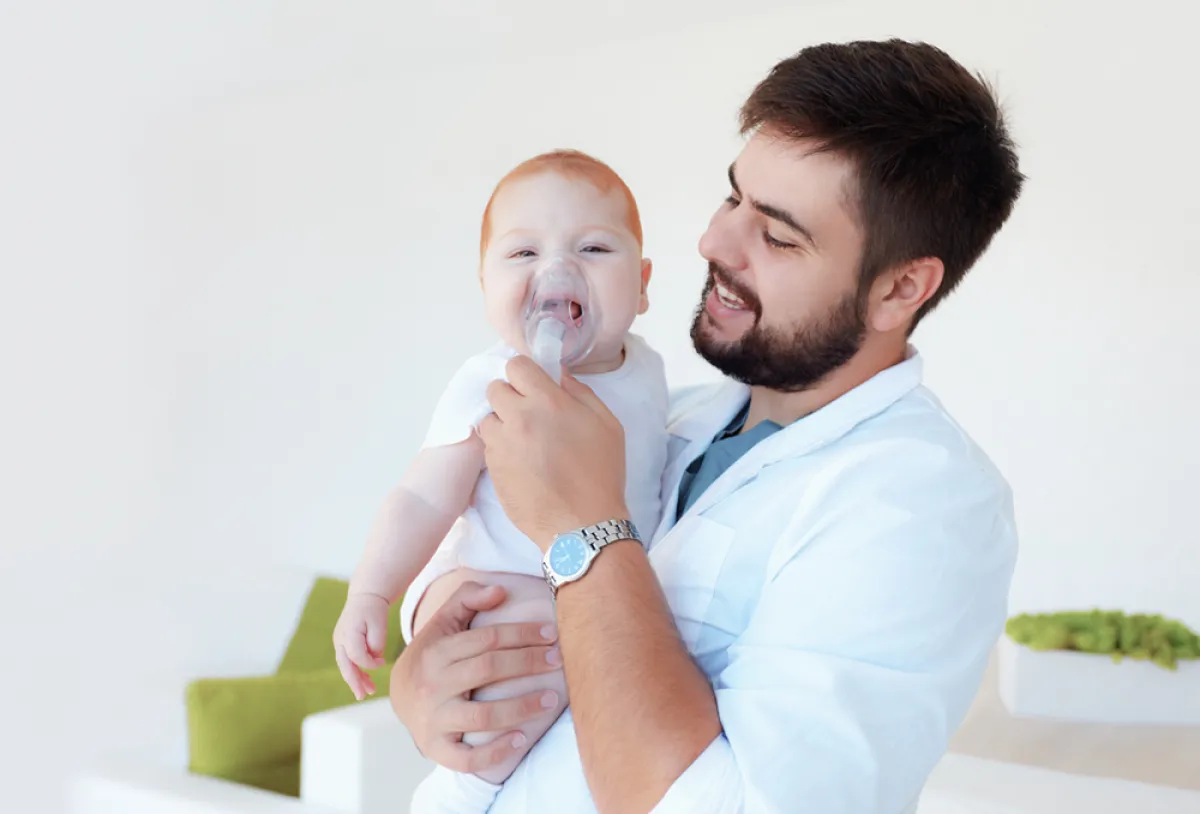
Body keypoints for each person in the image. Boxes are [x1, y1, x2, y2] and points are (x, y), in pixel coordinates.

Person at [392, 38, 1025, 813]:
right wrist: (422, 665)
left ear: (899, 288)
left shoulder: (921, 507)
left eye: (778, 234)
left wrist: (586, 529)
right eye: (734, 199)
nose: (713, 244)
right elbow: (478, 538)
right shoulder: (670, 414)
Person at [331, 151, 669, 810]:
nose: (557, 270)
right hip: (504, 586)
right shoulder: (490, 382)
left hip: (605, 595)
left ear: (642, 284)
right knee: (527, 656)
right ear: (485, 284)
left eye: (594, 248)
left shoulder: (650, 372)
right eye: (523, 254)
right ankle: (468, 790)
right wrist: (372, 591)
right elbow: (423, 495)